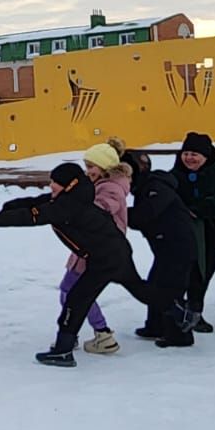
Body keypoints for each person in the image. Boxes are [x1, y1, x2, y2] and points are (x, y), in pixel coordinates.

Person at [0, 162, 165, 367]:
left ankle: (63, 350)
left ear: (70, 184)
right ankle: (180, 313)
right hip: (114, 253)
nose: (52, 186)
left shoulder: (69, 205)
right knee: (140, 291)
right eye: (52, 181)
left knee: (76, 300)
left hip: (106, 259)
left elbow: (35, 216)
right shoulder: (72, 197)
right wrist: (7, 209)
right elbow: (36, 203)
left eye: (56, 183)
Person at [54, 139, 131, 355]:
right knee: (75, 292)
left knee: (72, 292)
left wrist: (74, 207)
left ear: (105, 167)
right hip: (89, 249)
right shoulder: (102, 185)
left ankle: (100, 333)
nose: (88, 171)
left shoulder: (111, 189)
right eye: (86, 166)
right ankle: (86, 333)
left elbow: (102, 209)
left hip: (96, 251)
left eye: (91, 167)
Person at [123, 150, 202, 347]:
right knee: (157, 283)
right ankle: (155, 326)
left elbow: (146, 214)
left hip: (177, 246)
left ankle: (179, 334)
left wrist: (119, 214)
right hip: (166, 246)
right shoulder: (146, 187)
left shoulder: (155, 187)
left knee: (170, 287)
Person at [171, 132, 215, 329]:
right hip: (196, 232)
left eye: (195, 154)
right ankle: (193, 312)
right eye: (186, 153)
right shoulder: (177, 173)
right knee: (199, 271)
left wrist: (205, 208)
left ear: (206, 156)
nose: (189, 158)